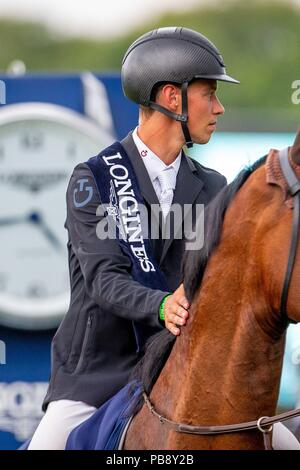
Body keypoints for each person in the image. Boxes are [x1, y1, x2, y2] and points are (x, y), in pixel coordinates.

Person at [28, 26, 238, 450]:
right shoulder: (93, 180)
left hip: (180, 370)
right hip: (96, 378)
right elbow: (105, 280)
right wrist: (163, 305)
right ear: (171, 97)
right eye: (209, 93)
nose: (218, 107)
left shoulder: (216, 187)